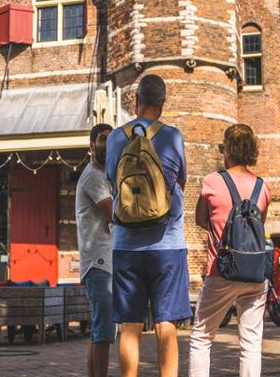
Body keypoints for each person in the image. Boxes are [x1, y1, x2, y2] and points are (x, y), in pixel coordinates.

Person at [105, 74, 190, 377]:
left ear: (136, 100)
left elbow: (112, 184)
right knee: (166, 324)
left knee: (130, 324)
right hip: (168, 245)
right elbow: (181, 182)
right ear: (163, 103)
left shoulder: (115, 138)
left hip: (126, 246)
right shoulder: (173, 136)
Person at [189, 124, 272, 377]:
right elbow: (258, 226)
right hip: (255, 273)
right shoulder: (263, 187)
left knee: (202, 336)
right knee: (251, 342)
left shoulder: (212, 181)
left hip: (221, 270)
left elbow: (200, 220)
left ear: (228, 150)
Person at [76, 122, 115, 377]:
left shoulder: (104, 175)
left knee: (100, 331)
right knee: (104, 332)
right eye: (102, 139)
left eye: (111, 139)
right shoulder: (93, 176)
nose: (107, 144)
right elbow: (114, 213)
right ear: (92, 144)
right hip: (99, 262)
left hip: (103, 261)